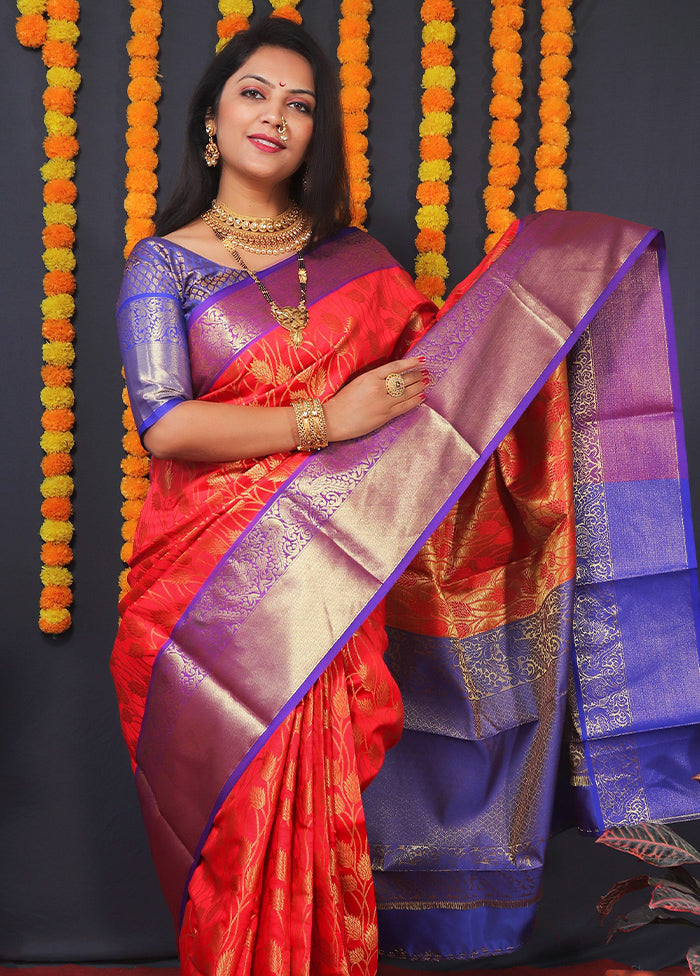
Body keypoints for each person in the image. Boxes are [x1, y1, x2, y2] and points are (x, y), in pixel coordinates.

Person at [111, 16, 700, 976]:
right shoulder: (163, 264)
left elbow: (450, 398)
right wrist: (325, 424)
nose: (277, 116)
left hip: (334, 591)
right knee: (242, 827)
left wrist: (559, 283)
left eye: (300, 104)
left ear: (316, 134)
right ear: (210, 122)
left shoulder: (362, 267)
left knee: (329, 808)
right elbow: (166, 426)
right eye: (255, 93)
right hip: (206, 600)